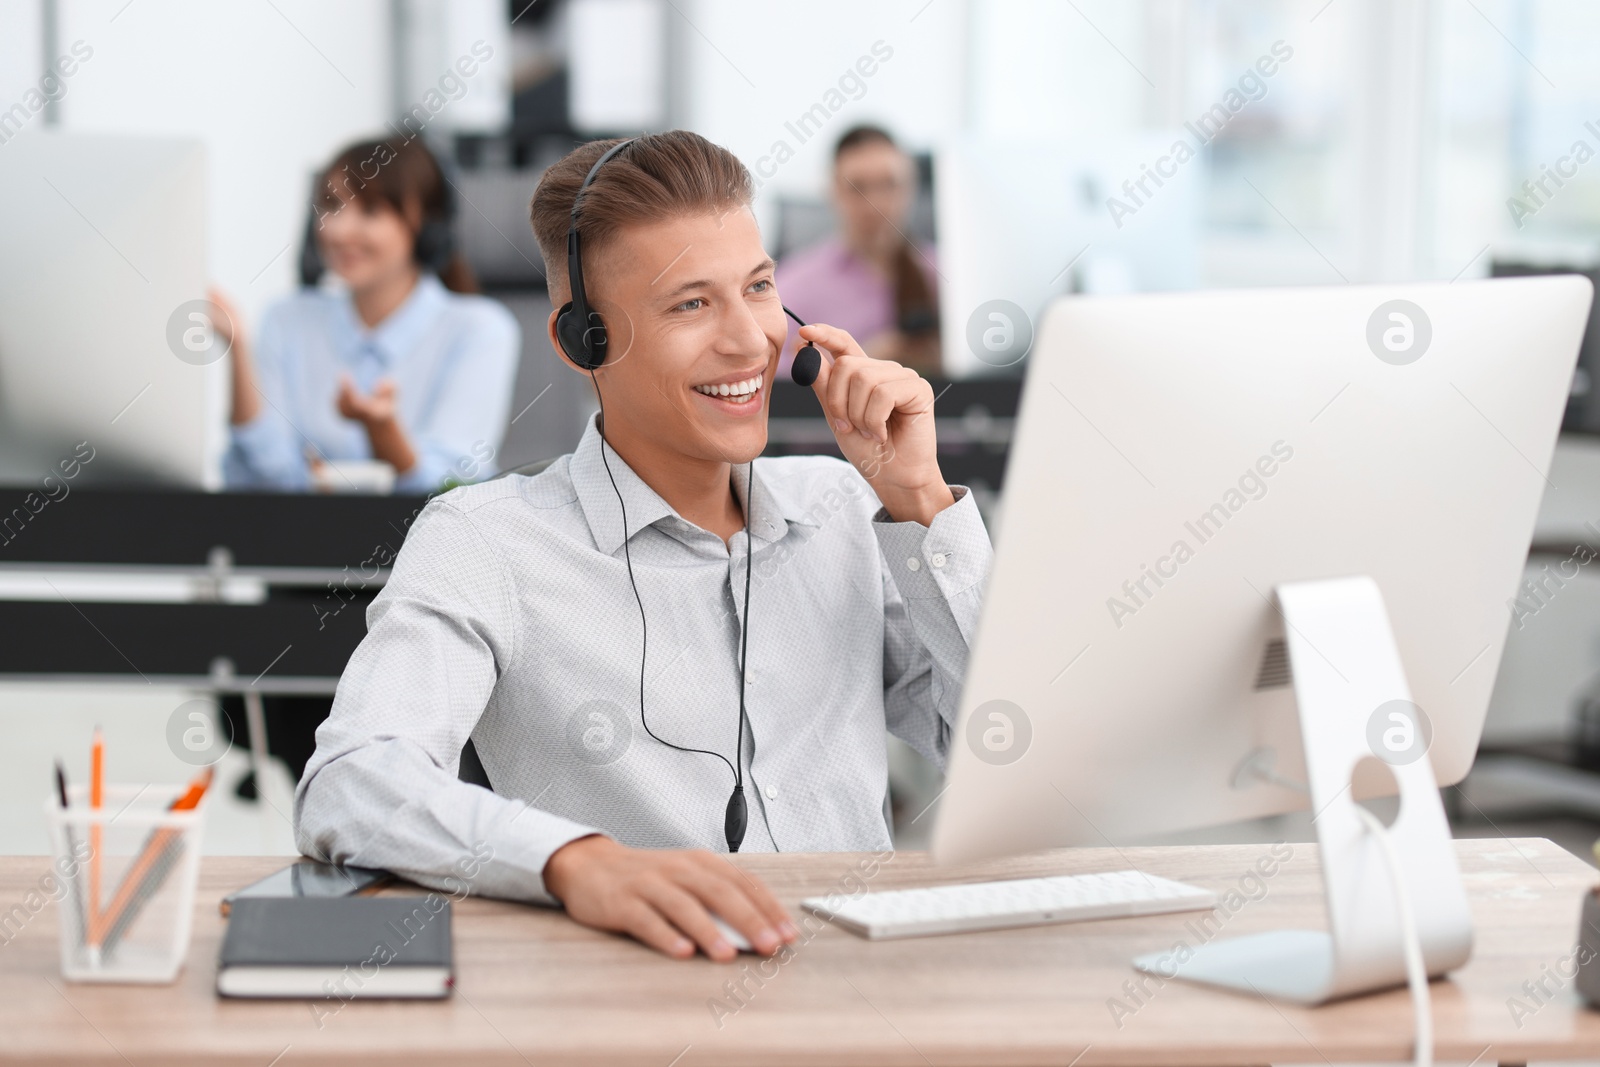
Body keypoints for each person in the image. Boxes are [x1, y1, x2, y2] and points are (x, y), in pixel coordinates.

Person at [294, 130, 991, 964]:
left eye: (759, 287)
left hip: (866, 998)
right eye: (691, 304)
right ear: (582, 340)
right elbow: (352, 782)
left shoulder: (846, 506)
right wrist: (571, 862)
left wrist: (920, 502)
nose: (749, 342)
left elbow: (1007, 743)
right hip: (644, 1008)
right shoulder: (488, 542)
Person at [219, 136, 520, 494]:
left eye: (370, 210)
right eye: (331, 205)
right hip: (297, 543)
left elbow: (452, 489)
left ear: (427, 226)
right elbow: (263, 482)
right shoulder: (286, 320)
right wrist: (237, 350)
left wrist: (384, 434)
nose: (338, 230)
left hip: (427, 546)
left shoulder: (479, 329)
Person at [776, 124, 940, 376]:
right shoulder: (793, 286)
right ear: (832, 191)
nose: (874, 204)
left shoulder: (945, 276)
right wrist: (858, 360)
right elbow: (770, 371)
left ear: (912, 188)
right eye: (858, 188)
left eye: (889, 185)